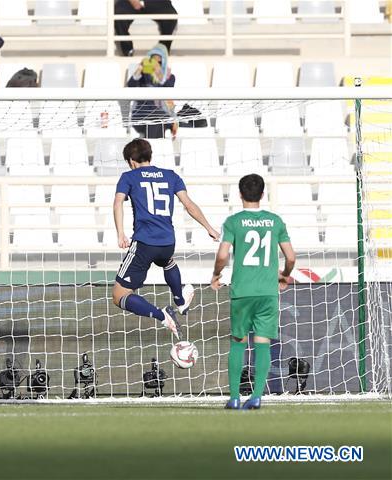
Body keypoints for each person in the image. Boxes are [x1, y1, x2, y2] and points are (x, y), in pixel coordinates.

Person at [112, 138, 219, 337]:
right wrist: (209, 228)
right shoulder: (171, 176)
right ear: (150, 156)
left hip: (145, 243)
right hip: (168, 242)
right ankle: (180, 301)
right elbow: (189, 205)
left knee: (119, 295)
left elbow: (118, 203)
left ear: (131, 160)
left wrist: (120, 233)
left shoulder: (129, 176)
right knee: (167, 261)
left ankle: (162, 316)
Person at [211, 174, 295, 410]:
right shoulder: (275, 221)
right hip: (267, 292)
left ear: (240, 194)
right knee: (262, 342)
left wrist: (216, 274)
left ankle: (235, 397)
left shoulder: (233, 221)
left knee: (238, 342)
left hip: (242, 292)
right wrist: (284, 275)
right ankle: (257, 396)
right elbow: (291, 257)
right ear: (262, 194)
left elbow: (222, 255)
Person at [127, 43, 177, 139]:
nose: (155, 63)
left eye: (159, 60)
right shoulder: (143, 76)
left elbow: (168, 89)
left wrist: (159, 73)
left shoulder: (170, 77)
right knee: (156, 120)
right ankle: (156, 149)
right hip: (141, 115)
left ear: (164, 61)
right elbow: (131, 86)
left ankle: (151, 147)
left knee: (156, 120)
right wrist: (139, 70)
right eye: (153, 59)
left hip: (162, 114)